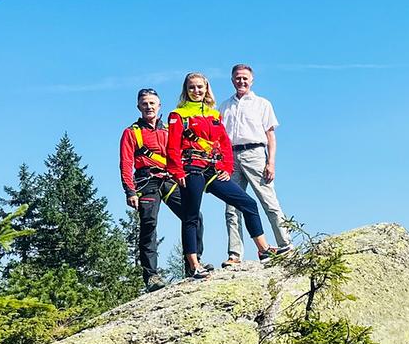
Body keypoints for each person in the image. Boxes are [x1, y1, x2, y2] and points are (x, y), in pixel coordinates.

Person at [165, 72, 286, 279]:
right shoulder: (178, 115)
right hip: (191, 169)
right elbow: (172, 147)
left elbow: (223, 143)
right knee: (191, 216)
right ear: (186, 90)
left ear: (206, 89)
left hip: (213, 170)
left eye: (200, 87)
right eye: (192, 87)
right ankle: (194, 265)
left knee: (248, 203)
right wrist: (176, 172)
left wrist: (227, 168)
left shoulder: (214, 114)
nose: (196, 91)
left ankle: (264, 250)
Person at [118, 87, 202, 291]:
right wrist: (130, 191)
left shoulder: (168, 130)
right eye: (145, 103)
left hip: (170, 179)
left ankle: (193, 266)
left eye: (152, 103)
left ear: (159, 106)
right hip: (146, 181)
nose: (149, 106)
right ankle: (152, 277)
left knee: (194, 217)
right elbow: (125, 162)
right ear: (138, 106)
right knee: (149, 224)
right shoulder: (131, 132)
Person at [219, 64, 291, 267]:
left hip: (255, 153)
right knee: (232, 207)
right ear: (232, 80)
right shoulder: (224, 106)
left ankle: (285, 244)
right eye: (237, 78)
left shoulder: (262, 104)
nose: (241, 81)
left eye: (245, 78)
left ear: (252, 80)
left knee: (268, 201)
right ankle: (235, 254)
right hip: (230, 156)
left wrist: (271, 162)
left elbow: (271, 136)